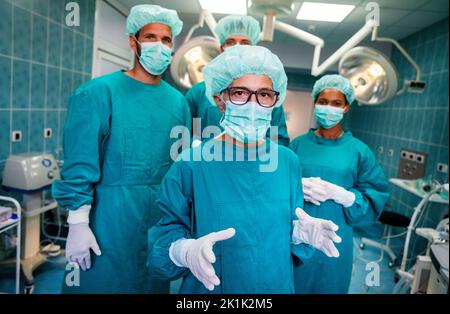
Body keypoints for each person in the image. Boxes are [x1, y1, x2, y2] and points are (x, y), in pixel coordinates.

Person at [147, 45, 342, 294]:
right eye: (240, 93)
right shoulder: (192, 164)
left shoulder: (287, 161)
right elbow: (162, 242)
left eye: (264, 94)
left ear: (275, 101)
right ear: (220, 99)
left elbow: (284, 223)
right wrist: (182, 251)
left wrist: (297, 233)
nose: (253, 104)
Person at [52, 5, 190, 293]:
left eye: (166, 40)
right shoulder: (97, 93)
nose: (159, 46)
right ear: (133, 41)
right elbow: (80, 162)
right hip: (107, 222)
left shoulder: (178, 102)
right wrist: (78, 222)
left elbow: (180, 166)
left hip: (157, 221)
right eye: (150, 37)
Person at [289, 74, 390, 294]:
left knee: (330, 285)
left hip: (337, 236)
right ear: (315, 103)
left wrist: (347, 196)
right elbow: (277, 190)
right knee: (294, 284)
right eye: (323, 102)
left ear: (346, 108)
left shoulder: (359, 151)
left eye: (336, 103)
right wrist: (296, 186)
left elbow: (376, 195)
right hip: (298, 234)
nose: (329, 108)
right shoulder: (297, 146)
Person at [185, 15, 290, 146]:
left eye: (245, 43)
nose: (237, 47)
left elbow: (278, 139)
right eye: (230, 42)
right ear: (221, 48)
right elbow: (183, 131)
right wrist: (195, 147)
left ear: (254, 49)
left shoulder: (268, 94)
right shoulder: (198, 92)